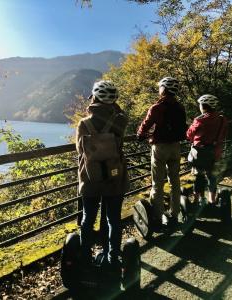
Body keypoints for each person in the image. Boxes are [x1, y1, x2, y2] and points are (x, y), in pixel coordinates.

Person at [76, 80, 129, 269]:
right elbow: (120, 118)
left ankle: (84, 258)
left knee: (88, 218)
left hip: (90, 178)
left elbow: (80, 151)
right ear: (114, 100)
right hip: (115, 177)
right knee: (113, 219)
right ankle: (112, 257)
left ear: (95, 97)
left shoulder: (84, 123)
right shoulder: (121, 120)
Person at [136, 77, 187, 230]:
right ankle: (174, 213)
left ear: (164, 89)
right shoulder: (180, 107)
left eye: (160, 87)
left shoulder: (157, 107)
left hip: (160, 148)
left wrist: (140, 134)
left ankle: (157, 217)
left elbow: (146, 124)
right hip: (176, 147)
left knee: (157, 183)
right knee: (175, 181)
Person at [186, 94, 228, 204]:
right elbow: (223, 134)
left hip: (200, 154)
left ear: (204, 106)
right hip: (215, 152)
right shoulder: (222, 119)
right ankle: (212, 200)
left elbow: (189, 134)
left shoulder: (199, 120)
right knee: (212, 176)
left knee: (199, 176)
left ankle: (196, 200)